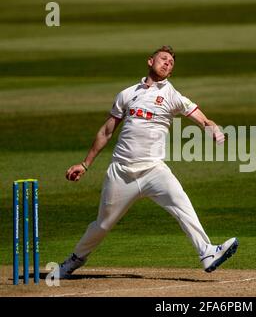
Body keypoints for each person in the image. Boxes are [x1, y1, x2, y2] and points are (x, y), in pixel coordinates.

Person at [57, 46, 238, 279]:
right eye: (164, 59)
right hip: (121, 172)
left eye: (171, 63)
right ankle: (73, 261)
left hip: (154, 170)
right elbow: (106, 131)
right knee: (102, 225)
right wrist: (85, 164)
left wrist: (213, 128)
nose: (167, 64)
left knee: (182, 204)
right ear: (150, 61)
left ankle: (206, 252)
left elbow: (202, 119)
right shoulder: (127, 94)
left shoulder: (172, 95)